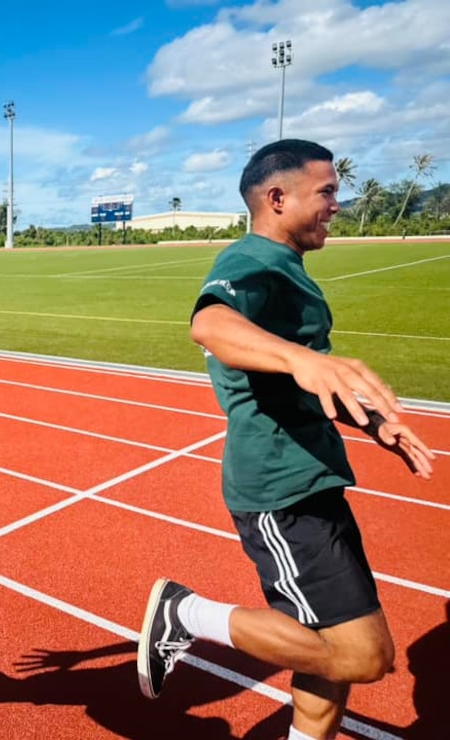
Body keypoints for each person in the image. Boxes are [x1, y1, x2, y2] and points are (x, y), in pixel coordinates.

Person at [136, 139, 436, 739]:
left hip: (312, 479)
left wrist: (377, 425)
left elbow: (312, 386)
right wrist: (301, 359)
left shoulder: (287, 269)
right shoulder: (251, 260)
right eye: (326, 192)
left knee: (328, 656)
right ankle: (185, 611)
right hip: (279, 491)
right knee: (364, 655)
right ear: (277, 198)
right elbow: (210, 325)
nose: (336, 205)